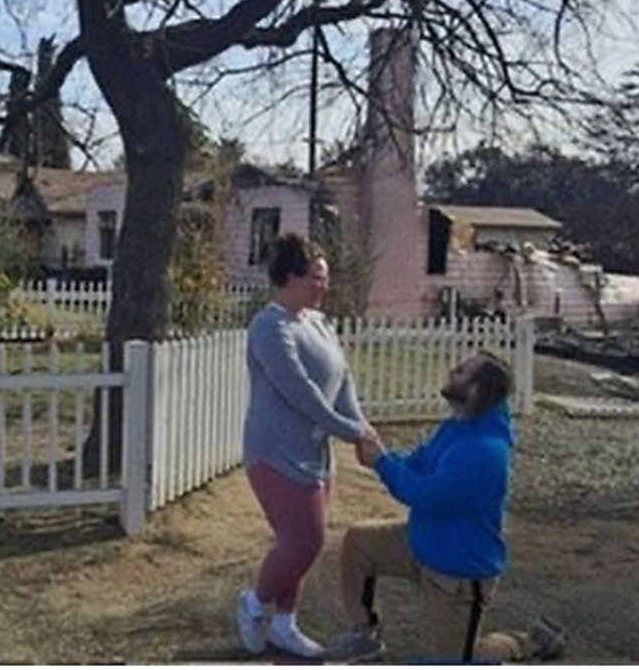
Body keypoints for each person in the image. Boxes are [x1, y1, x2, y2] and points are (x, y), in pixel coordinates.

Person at [327, 351, 565, 664]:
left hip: (457, 576)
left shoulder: (484, 451)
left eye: (462, 371)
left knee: (462, 660)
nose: (453, 372)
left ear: (478, 390)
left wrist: (382, 463)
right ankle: (364, 635)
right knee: (360, 543)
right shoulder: (457, 426)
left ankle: (525, 643)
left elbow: (426, 495)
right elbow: (419, 462)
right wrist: (382, 455)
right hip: (423, 542)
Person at [236, 233, 380, 659]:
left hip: (315, 452)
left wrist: (362, 426)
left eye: (325, 277)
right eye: (317, 276)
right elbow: (302, 393)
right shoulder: (269, 327)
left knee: (298, 542)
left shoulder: (318, 323)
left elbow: (342, 381)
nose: (324, 285)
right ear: (291, 276)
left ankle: (284, 624)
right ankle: (254, 603)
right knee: (304, 542)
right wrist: (351, 432)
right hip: (274, 452)